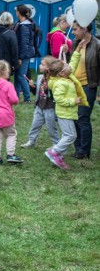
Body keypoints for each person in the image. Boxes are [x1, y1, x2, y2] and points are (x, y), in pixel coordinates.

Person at [44, 53, 86, 169]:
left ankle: (59, 157)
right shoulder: (60, 83)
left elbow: (71, 65)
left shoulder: (64, 78)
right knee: (71, 135)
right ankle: (54, 151)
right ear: (61, 73)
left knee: (66, 135)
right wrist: (73, 101)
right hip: (64, 113)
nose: (69, 67)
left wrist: (77, 52)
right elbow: (59, 99)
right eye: (66, 66)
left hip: (67, 113)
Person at [0, 60, 24, 165]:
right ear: (2, 72)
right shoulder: (8, 85)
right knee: (11, 134)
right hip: (5, 115)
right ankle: (10, 155)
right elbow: (14, 99)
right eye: (7, 70)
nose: (9, 71)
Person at [70, 22, 98, 159]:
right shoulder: (75, 43)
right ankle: (78, 147)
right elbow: (72, 63)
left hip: (88, 86)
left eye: (75, 29)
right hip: (74, 86)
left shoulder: (97, 45)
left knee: (82, 117)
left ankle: (84, 150)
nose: (73, 32)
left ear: (84, 29)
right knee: (75, 117)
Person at [22, 55, 60, 149]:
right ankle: (31, 141)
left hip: (50, 108)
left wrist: (48, 89)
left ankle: (56, 145)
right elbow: (38, 93)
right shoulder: (40, 78)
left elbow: (54, 95)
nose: (40, 66)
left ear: (49, 68)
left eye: (42, 65)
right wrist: (33, 87)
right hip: (39, 106)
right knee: (35, 125)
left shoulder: (54, 80)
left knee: (51, 128)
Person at [13, 4, 36, 103]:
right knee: (17, 76)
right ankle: (15, 97)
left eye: (16, 11)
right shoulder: (21, 24)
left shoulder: (24, 26)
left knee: (21, 76)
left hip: (24, 55)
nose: (15, 12)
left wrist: (21, 58)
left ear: (19, 12)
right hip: (22, 54)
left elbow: (24, 44)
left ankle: (27, 98)